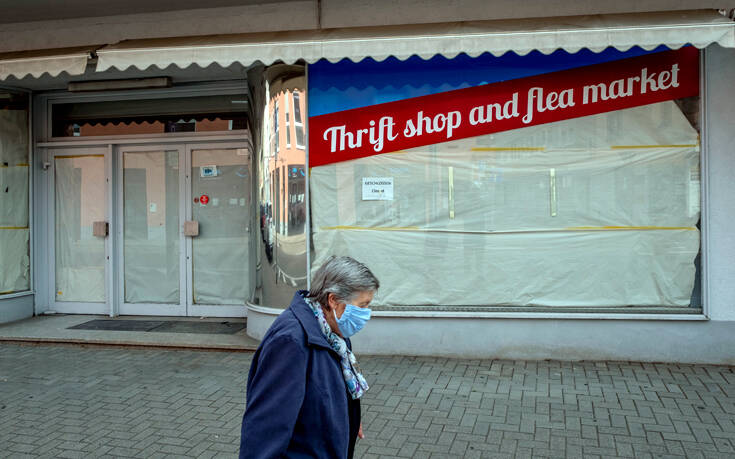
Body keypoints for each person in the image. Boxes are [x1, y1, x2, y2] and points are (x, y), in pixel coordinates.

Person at [239, 256, 380, 459]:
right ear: (333, 300)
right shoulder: (290, 342)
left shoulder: (333, 333)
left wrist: (348, 414)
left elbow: (330, 388)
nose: (366, 314)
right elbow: (266, 427)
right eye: (363, 305)